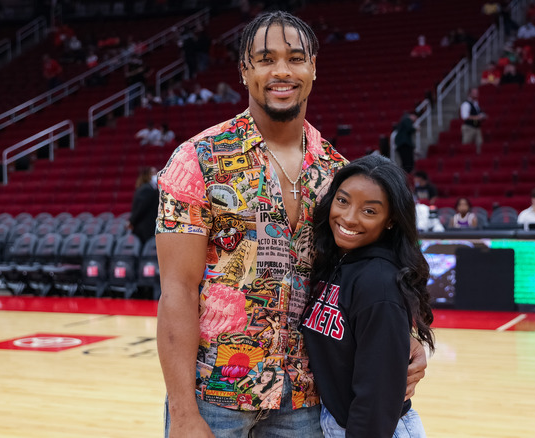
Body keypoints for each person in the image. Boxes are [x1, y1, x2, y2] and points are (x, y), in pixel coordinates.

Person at [155, 11, 427, 438]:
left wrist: (405, 332)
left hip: (306, 401)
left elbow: (375, 266)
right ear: (245, 70)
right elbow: (177, 292)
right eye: (265, 59)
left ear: (313, 67)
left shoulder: (338, 173)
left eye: (295, 58)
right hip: (215, 398)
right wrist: (183, 413)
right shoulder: (197, 162)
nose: (282, 70)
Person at [302, 154, 434, 437]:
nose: (349, 218)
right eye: (343, 201)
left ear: (390, 220)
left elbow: (378, 392)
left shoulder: (379, 283)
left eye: (369, 211)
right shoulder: (334, 263)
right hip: (339, 420)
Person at [128, 167, 159, 244]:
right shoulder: (146, 189)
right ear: (147, 175)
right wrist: (132, 221)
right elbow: (140, 208)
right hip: (144, 227)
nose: (156, 175)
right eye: (153, 173)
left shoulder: (152, 188)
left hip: (148, 226)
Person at [460, 88, 487, 154]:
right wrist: (477, 117)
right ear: (470, 94)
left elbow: (477, 114)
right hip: (469, 128)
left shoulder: (476, 104)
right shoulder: (466, 104)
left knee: (480, 145)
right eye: (474, 93)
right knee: (466, 145)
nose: (476, 94)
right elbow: (465, 117)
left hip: (477, 127)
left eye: (477, 93)